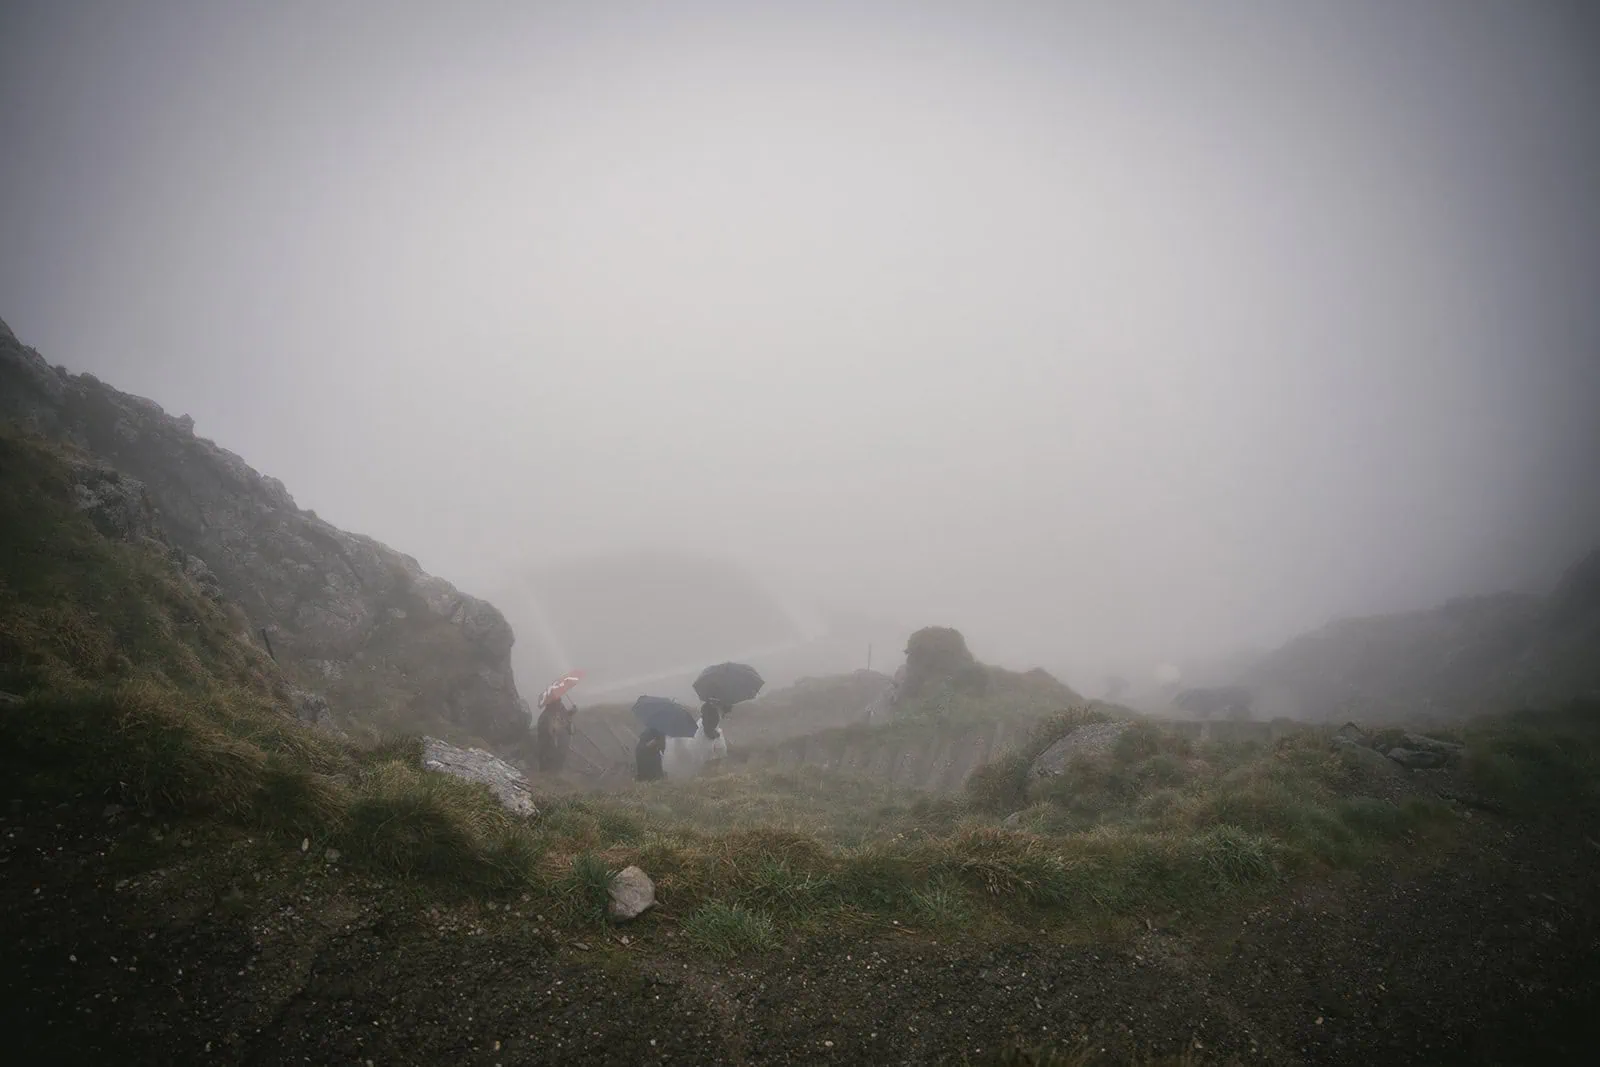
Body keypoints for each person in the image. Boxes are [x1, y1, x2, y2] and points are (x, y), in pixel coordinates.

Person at [534, 695, 576, 773]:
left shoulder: (560, 709)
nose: (560, 704)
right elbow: (546, 734)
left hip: (559, 746)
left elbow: (565, 716)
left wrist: (572, 711)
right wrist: (554, 730)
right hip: (548, 748)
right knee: (548, 768)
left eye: (559, 701)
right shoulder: (545, 717)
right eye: (558, 702)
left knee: (558, 764)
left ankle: (555, 776)